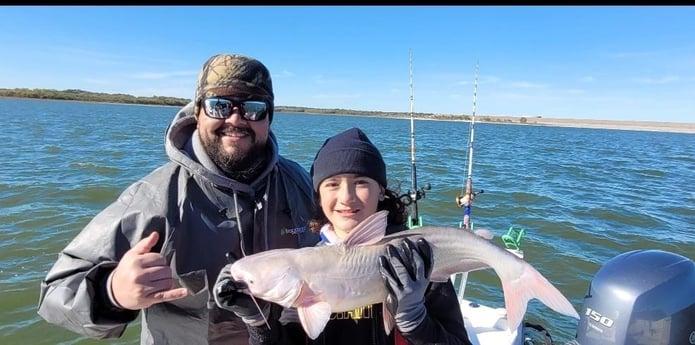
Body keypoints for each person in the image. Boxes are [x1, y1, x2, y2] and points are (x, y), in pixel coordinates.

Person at [37, 53, 320, 344]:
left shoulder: (297, 183)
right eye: (219, 105)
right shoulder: (154, 198)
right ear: (197, 113)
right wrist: (112, 293)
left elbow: (343, 239)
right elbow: (57, 291)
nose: (236, 119)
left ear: (269, 118)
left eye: (254, 108)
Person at [214, 127, 472, 344]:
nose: (346, 197)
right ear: (319, 194)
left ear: (381, 191)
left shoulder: (416, 260)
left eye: (361, 182)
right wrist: (257, 320)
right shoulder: (303, 268)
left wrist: (416, 322)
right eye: (332, 184)